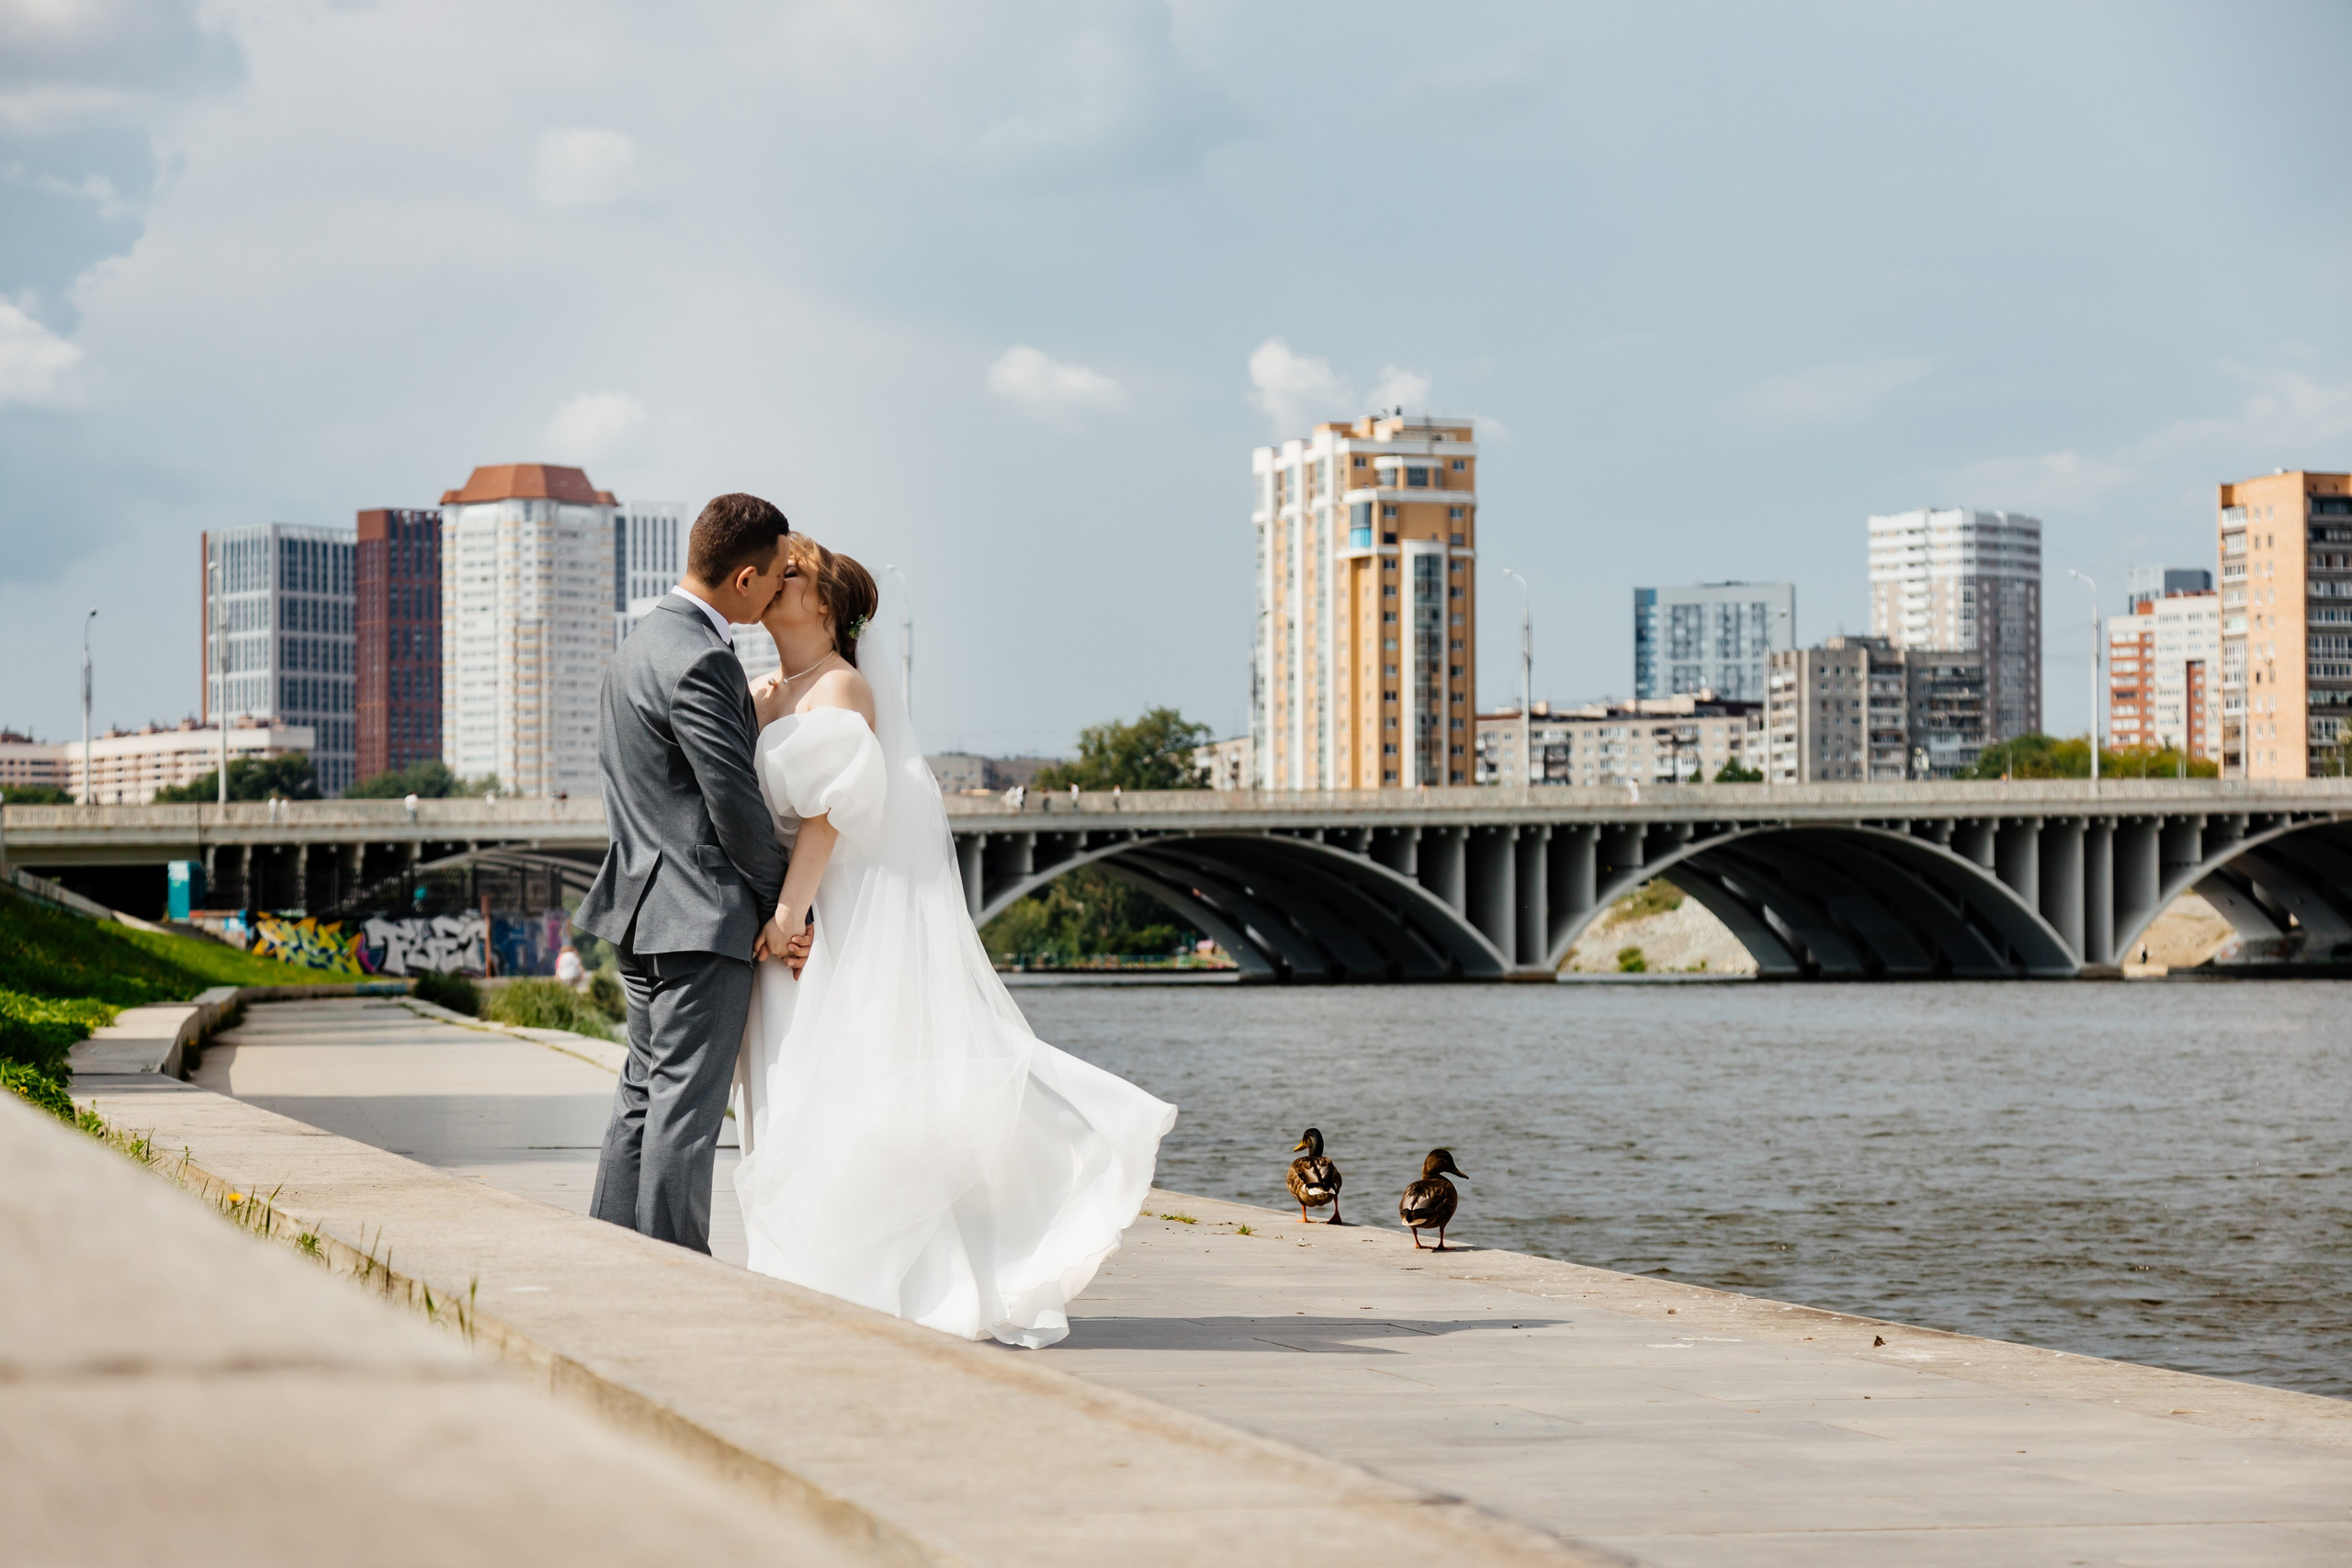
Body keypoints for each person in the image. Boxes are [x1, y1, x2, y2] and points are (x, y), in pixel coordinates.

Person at [730, 535, 1173, 1348]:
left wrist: (792, 912)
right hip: (789, 920)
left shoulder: (842, 687)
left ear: (825, 602)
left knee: (837, 1089)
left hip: (822, 917)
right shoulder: (769, 691)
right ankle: (805, 1269)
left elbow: (828, 812)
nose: (770, 581)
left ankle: (864, 1276)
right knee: (794, 1090)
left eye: (790, 574)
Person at [575, 493, 810, 1255]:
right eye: (776, 575)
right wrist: (787, 909)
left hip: (638, 911)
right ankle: (676, 1274)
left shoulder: (637, 647)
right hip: (699, 919)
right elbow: (735, 806)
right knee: (684, 1112)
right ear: (744, 578)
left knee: (643, 1097)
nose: (779, 588)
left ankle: (615, 1259)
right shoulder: (705, 659)